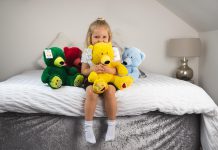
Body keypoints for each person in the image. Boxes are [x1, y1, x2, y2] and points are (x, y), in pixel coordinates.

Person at [81, 17, 121, 144]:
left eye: (104, 37)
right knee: (91, 92)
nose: (100, 40)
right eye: (97, 37)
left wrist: (110, 70)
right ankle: (88, 126)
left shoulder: (113, 50)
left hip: (108, 78)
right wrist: (92, 69)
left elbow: (117, 70)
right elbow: (84, 71)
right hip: (93, 78)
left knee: (110, 91)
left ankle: (112, 125)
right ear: (90, 38)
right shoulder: (88, 51)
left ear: (109, 38)